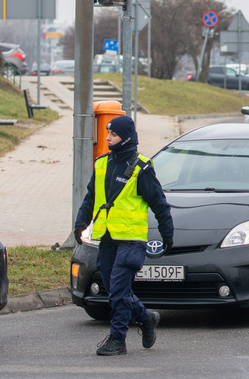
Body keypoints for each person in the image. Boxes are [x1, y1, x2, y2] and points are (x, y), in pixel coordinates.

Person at [74, 116, 174, 357]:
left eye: (113, 135)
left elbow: (159, 203)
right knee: (115, 290)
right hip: (107, 238)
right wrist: (80, 223)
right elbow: (90, 198)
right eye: (108, 134)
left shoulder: (142, 168)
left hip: (131, 240)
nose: (107, 138)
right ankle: (145, 317)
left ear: (126, 137)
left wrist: (167, 233)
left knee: (118, 290)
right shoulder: (101, 164)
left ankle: (118, 338)